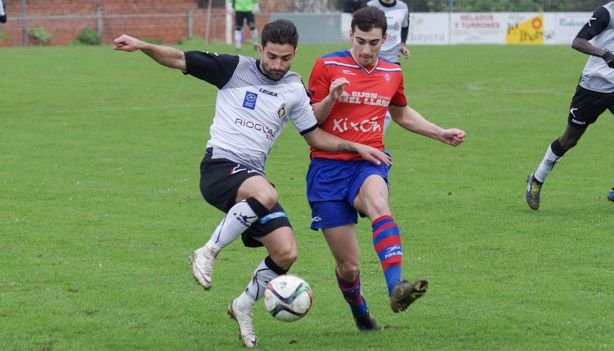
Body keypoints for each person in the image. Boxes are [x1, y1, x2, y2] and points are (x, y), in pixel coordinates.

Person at [113, 19, 390, 348]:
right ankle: (207, 251)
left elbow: (313, 133)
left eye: (285, 58)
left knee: (286, 252)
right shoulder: (232, 68)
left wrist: (353, 145)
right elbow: (178, 58)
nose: (277, 64)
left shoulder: (293, 87)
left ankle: (242, 305)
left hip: (252, 177)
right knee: (266, 193)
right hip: (220, 167)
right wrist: (143, 45)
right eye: (271, 56)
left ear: (294, 54)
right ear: (259, 49)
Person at [306, 7, 466, 332]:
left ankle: (397, 285)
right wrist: (332, 98)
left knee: (380, 204)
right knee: (349, 268)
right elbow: (311, 123)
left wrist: (440, 132)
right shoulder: (327, 65)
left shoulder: (392, 71)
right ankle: (361, 315)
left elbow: (402, 114)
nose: (366, 50)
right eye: (361, 41)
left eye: (374, 43)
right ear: (350, 34)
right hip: (327, 170)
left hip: (369, 163)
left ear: (385, 39)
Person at [526, 1, 614, 210]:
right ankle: (537, 179)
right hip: (594, 85)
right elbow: (578, 41)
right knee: (570, 139)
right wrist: (605, 54)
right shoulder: (606, 13)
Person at [367, 0, 411, 134]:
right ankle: (368, 136)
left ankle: (376, 138)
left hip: (393, 61)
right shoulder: (371, 6)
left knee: (389, 103)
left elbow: (404, 27)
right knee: (371, 99)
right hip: (372, 59)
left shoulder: (403, 8)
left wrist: (402, 45)